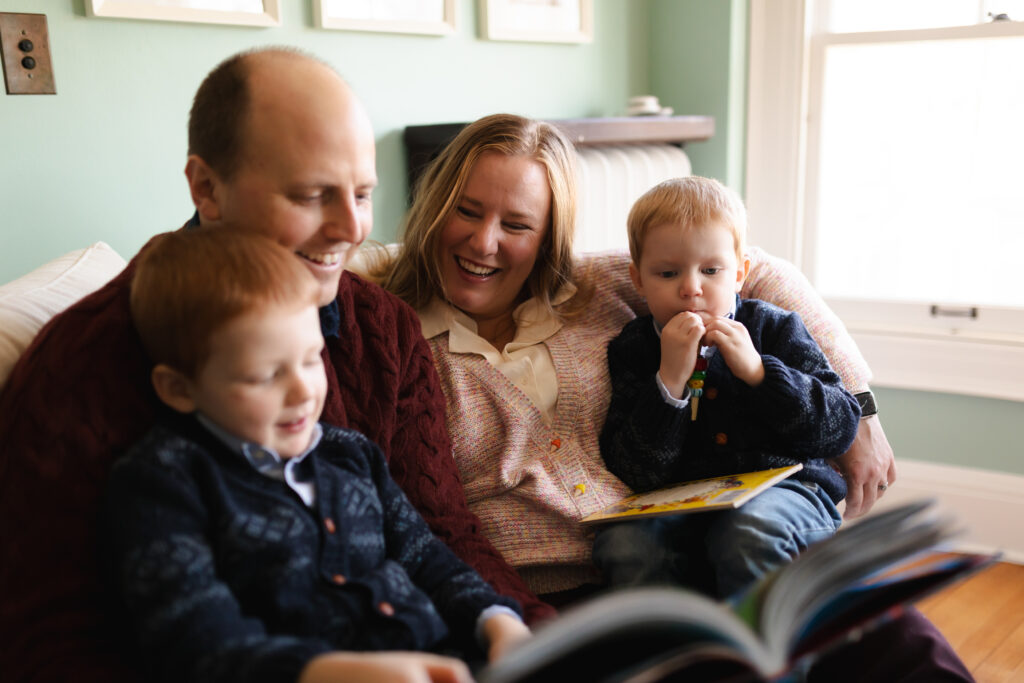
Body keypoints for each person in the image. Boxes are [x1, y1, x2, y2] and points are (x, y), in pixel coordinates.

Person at [0, 48, 548, 683]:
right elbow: (51, 644)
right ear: (207, 188)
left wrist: (536, 635)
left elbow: (440, 532)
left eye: (364, 194)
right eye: (313, 195)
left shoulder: (384, 329)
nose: (351, 227)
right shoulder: (86, 366)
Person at [367, 112, 973, 681]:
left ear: (549, 238)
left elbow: (754, 269)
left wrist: (859, 409)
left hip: (699, 534)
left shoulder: (592, 285)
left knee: (903, 641)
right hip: (570, 586)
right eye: (465, 212)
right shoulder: (387, 332)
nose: (484, 242)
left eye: (518, 225)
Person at [104, 229, 528, 682]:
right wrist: (333, 672)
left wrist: (496, 620)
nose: (304, 391)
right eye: (266, 375)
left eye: (311, 359)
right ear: (179, 388)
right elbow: (195, 641)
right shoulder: (165, 481)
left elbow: (426, 557)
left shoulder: (349, 455)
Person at [595, 176, 859, 599]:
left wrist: (760, 373)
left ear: (740, 273)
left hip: (786, 491)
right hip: (682, 505)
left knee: (749, 533)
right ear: (638, 279)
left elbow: (840, 427)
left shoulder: (774, 327)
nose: (691, 288)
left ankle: (768, 661)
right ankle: (674, 661)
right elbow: (635, 469)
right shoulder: (634, 349)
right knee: (624, 545)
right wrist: (669, 382)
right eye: (667, 273)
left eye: (711, 270)